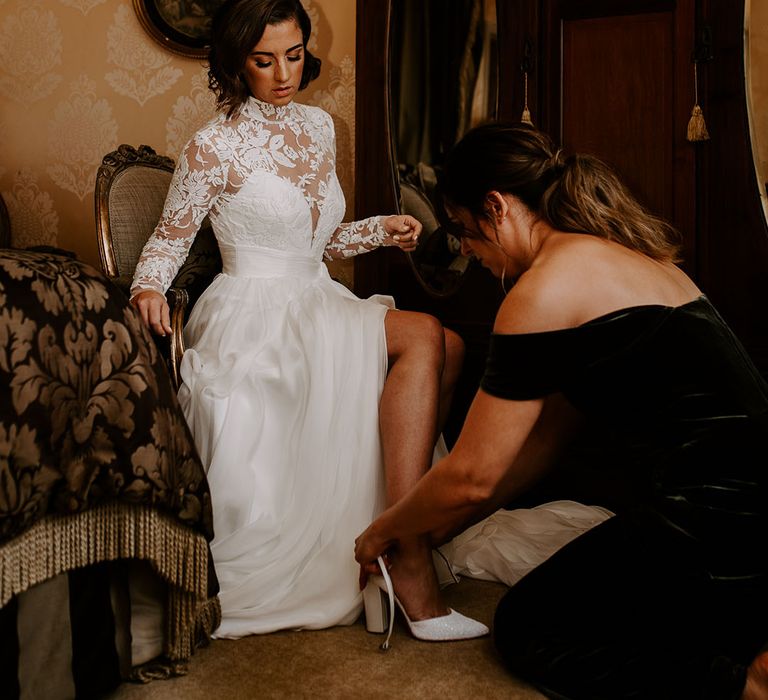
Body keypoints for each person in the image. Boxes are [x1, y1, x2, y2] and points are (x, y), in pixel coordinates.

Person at [355, 121, 768, 698]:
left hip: (715, 521)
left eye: (463, 231)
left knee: (531, 629)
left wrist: (382, 531)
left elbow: (472, 475)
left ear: (495, 206)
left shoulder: (543, 291)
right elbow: (541, 443)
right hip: (748, 509)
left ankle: (744, 682)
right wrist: (438, 528)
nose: (468, 253)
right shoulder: (617, 256)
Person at [129, 0, 487, 641]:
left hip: (314, 296)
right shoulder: (212, 147)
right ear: (238, 64)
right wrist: (148, 287)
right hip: (256, 316)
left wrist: (379, 230)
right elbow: (168, 237)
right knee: (429, 336)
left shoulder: (319, 127)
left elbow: (314, 241)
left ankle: (406, 532)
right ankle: (406, 559)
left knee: (451, 346)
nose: (283, 73)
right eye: (264, 61)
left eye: (293, 55)